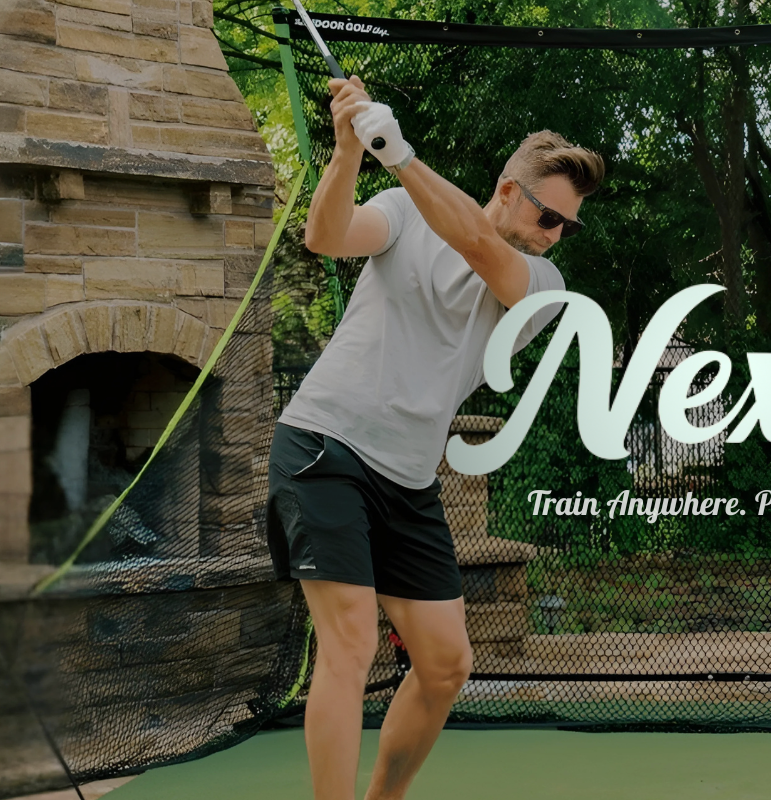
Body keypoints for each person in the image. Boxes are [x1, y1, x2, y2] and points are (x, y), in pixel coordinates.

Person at [269, 75, 604, 800]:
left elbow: (480, 246)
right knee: (352, 643)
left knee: (447, 665)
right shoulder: (402, 212)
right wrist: (350, 148)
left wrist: (399, 152)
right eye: (551, 217)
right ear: (509, 189)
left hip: (407, 479)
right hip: (325, 444)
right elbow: (324, 236)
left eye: (567, 228)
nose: (557, 236)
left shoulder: (542, 285)